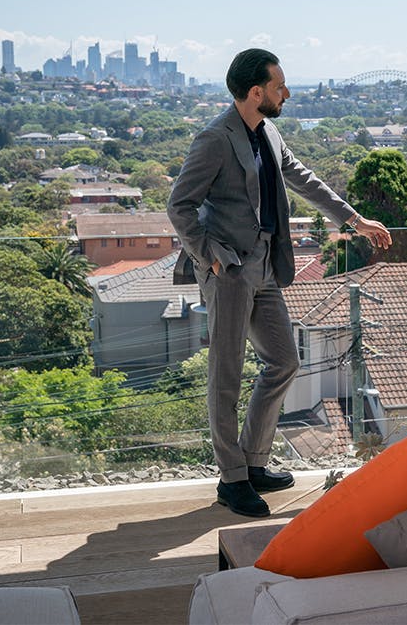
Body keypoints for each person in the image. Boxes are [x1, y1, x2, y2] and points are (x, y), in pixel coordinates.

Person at [168, 49, 392, 517]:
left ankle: (252, 461)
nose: (286, 93)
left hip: (267, 268)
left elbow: (303, 179)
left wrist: (354, 219)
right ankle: (231, 480)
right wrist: (208, 256)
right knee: (225, 377)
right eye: (279, 86)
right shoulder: (214, 139)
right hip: (228, 271)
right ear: (256, 92)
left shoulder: (268, 131)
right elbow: (180, 207)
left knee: (284, 363)